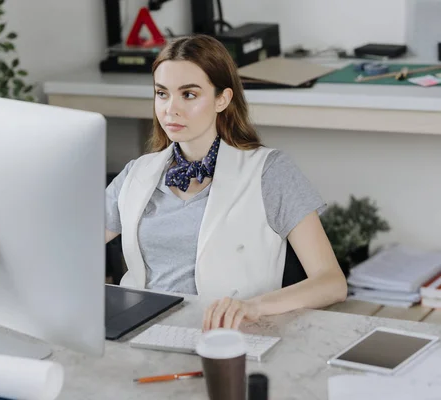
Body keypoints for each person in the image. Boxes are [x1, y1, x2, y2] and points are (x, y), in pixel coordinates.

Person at [104, 34, 347, 331]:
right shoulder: (136, 174)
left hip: (230, 337)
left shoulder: (269, 172)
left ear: (223, 99)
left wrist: (254, 306)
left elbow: (332, 282)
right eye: (162, 93)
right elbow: (71, 245)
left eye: (189, 95)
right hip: (141, 332)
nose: (171, 109)